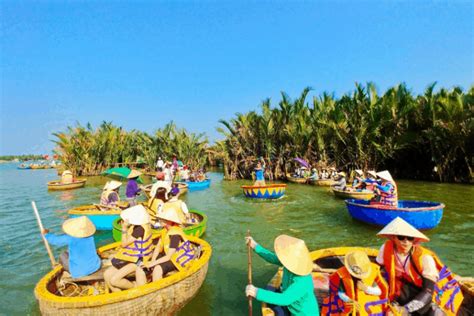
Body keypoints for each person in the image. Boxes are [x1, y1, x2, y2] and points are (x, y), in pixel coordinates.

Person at [376, 217, 465, 316]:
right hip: (403, 291)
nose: (406, 241)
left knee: (435, 312)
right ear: (393, 238)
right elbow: (378, 268)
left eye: (410, 238)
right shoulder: (386, 248)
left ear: (414, 240)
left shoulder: (424, 257)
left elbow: (428, 292)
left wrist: (405, 310)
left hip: (429, 295)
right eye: (401, 237)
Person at [245, 234, 319, 315]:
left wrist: (256, 292)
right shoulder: (290, 264)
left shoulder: (303, 282)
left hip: (302, 313)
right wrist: (255, 246)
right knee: (269, 291)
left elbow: (285, 299)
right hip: (291, 307)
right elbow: (272, 258)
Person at [104, 205, 154, 292]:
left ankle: (134, 287)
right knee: (106, 274)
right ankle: (118, 296)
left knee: (114, 280)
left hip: (138, 261)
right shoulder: (137, 226)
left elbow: (124, 244)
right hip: (130, 257)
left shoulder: (139, 230)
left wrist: (124, 229)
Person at [322, 250, 388, 315]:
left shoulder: (370, 275)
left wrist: (366, 288)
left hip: (366, 305)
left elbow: (379, 291)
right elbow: (340, 293)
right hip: (349, 304)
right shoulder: (343, 276)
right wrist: (349, 300)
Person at [140, 208, 197, 282]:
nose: (160, 220)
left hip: (176, 259)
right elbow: (157, 247)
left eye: (163, 219)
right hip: (168, 255)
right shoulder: (165, 230)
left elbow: (169, 256)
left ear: (170, 221)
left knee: (157, 269)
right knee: (145, 264)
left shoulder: (175, 235)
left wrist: (152, 264)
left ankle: (158, 289)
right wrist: (152, 261)